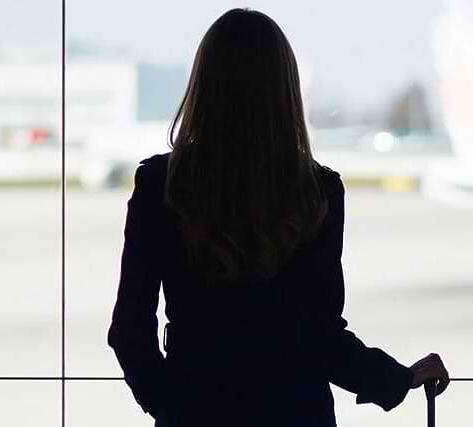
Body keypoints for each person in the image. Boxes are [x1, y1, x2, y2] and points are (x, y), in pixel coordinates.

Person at [107, 9, 448, 426]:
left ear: (204, 85)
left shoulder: (161, 184)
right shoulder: (317, 192)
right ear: (285, 90)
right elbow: (319, 336)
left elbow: (129, 330)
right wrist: (396, 378)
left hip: (194, 410)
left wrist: (171, 406)